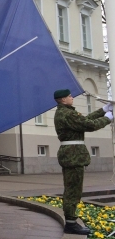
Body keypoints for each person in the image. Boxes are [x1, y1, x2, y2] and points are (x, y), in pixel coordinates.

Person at [53, 89, 112, 235]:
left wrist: (103, 110)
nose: (72, 98)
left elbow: (84, 120)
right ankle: (71, 224)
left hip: (72, 156)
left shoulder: (66, 112)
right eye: (69, 96)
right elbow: (89, 125)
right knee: (73, 191)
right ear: (62, 99)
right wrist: (108, 118)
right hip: (73, 156)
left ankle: (71, 221)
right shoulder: (66, 113)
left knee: (72, 190)